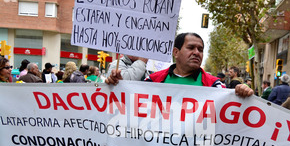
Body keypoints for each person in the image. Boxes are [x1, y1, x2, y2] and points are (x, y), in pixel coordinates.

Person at [108, 33, 253, 99]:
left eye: (200, 49)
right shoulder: (153, 80)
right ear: (176, 52)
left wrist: (241, 94)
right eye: (191, 48)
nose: (197, 53)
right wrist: (114, 85)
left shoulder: (214, 85)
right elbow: (128, 103)